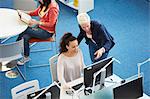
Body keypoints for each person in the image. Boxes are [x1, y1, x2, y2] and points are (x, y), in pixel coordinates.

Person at [16, 0, 59, 65]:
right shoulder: (44, 3)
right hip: (40, 27)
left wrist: (37, 22)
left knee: (24, 30)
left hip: (47, 32)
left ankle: (16, 47)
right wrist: (24, 12)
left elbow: (51, 24)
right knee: (25, 37)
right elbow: (36, 12)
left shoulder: (53, 8)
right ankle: (25, 56)